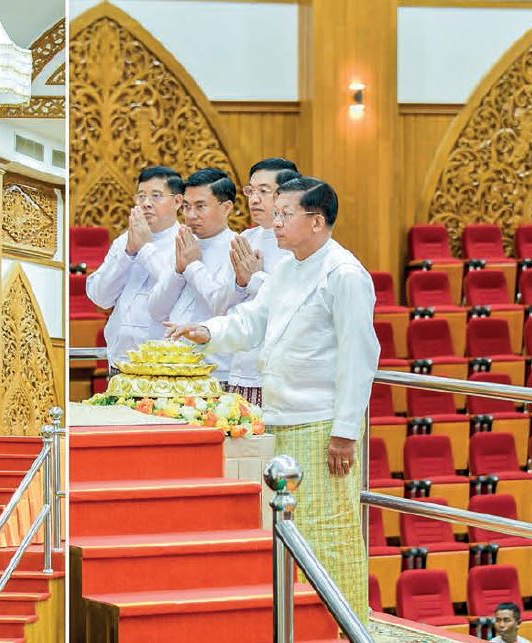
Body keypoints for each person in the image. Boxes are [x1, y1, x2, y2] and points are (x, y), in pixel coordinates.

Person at [166, 176, 380, 614]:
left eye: (285, 214)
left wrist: (345, 432)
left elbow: (359, 356)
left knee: (328, 531)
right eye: (276, 213)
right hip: (280, 414)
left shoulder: (344, 274)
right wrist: (207, 331)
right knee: (289, 529)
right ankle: (300, 624)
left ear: (317, 221)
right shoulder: (286, 268)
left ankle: (346, 625)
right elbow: (251, 320)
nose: (275, 223)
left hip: (322, 422)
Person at [147, 168, 241, 382]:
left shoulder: (238, 248)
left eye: (200, 206)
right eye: (187, 207)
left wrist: (192, 266)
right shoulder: (182, 242)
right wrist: (178, 272)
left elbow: (222, 307)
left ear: (226, 208)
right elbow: (155, 310)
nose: (190, 215)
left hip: (216, 371)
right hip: (174, 366)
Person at [85, 166, 185, 366]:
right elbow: (100, 298)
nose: (146, 203)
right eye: (141, 196)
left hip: (166, 364)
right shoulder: (124, 241)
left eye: (156, 196)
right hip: (120, 361)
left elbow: (174, 288)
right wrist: (128, 253)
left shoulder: (187, 241)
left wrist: (145, 248)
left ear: (177, 201)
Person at [224, 158, 300, 405]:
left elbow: (296, 302)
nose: (254, 199)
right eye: (250, 191)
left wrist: (255, 279)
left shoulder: (300, 241)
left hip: (281, 372)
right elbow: (227, 304)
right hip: (242, 364)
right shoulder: (246, 238)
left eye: (263, 191)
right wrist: (240, 283)